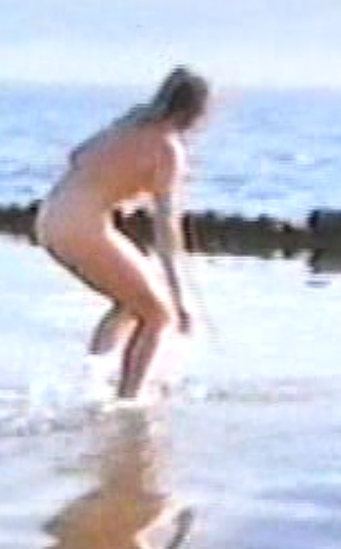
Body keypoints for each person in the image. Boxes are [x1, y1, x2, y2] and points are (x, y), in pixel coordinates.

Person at [36, 66, 210, 399]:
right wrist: (180, 298)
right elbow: (166, 230)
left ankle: (95, 376)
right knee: (159, 314)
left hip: (51, 217)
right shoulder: (167, 149)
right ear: (194, 113)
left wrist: (114, 187)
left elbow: (77, 155)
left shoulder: (128, 123)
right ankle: (129, 398)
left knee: (131, 301)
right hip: (84, 227)